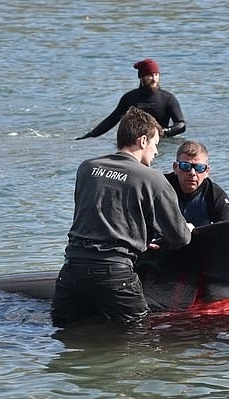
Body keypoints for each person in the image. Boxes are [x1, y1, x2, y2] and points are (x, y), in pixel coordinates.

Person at [51, 106, 194, 327]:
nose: (156, 153)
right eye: (156, 145)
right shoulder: (152, 179)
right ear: (143, 141)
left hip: (72, 273)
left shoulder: (86, 169)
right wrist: (182, 231)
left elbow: (99, 216)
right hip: (115, 275)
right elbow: (180, 238)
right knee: (139, 341)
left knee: (67, 336)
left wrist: (140, 239)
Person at [76, 58, 186, 140]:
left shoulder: (168, 98)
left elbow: (181, 125)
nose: (154, 79)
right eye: (150, 75)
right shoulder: (129, 98)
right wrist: (90, 136)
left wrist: (163, 133)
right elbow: (111, 120)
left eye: (156, 74)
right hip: (134, 142)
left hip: (159, 142)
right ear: (141, 77)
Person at [164, 140, 229, 227]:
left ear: (207, 171)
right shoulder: (159, 187)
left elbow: (228, 231)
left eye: (199, 168)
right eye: (186, 166)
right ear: (175, 168)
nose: (192, 172)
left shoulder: (215, 195)